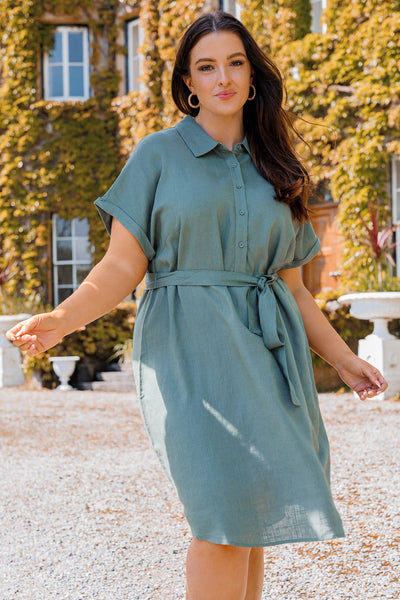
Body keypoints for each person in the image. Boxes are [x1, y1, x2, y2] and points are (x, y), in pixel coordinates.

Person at [7, 11, 387, 600]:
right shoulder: (157, 155)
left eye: (235, 63)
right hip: (187, 352)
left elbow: (293, 289)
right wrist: (61, 320)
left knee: (250, 516)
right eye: (206, 67)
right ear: (188, 82)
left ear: (253, 75)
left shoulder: (278, 166)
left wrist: (343, 359)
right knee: (221, 515)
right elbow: (121, 267)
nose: (223, 78)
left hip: (267, 357)